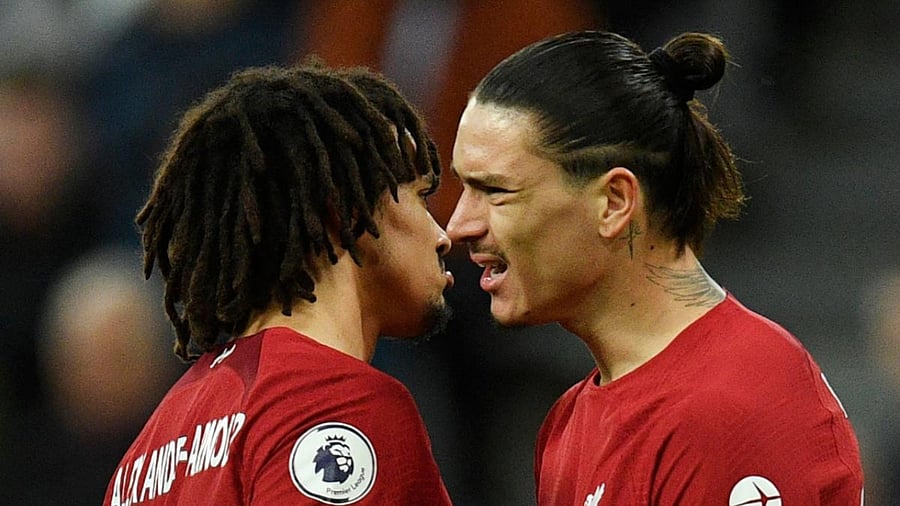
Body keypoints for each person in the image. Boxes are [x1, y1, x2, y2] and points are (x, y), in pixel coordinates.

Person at [447, 30, 864, 505]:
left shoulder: (728, 410)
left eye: (495, 191)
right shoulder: (570, 420)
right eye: (463, 188)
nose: (458, 225)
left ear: (614, 202)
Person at [103, 63, 455, 505]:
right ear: (348, 212)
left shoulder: (147, 452)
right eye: (422, 197)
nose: (444, 235)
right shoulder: (337, 405)